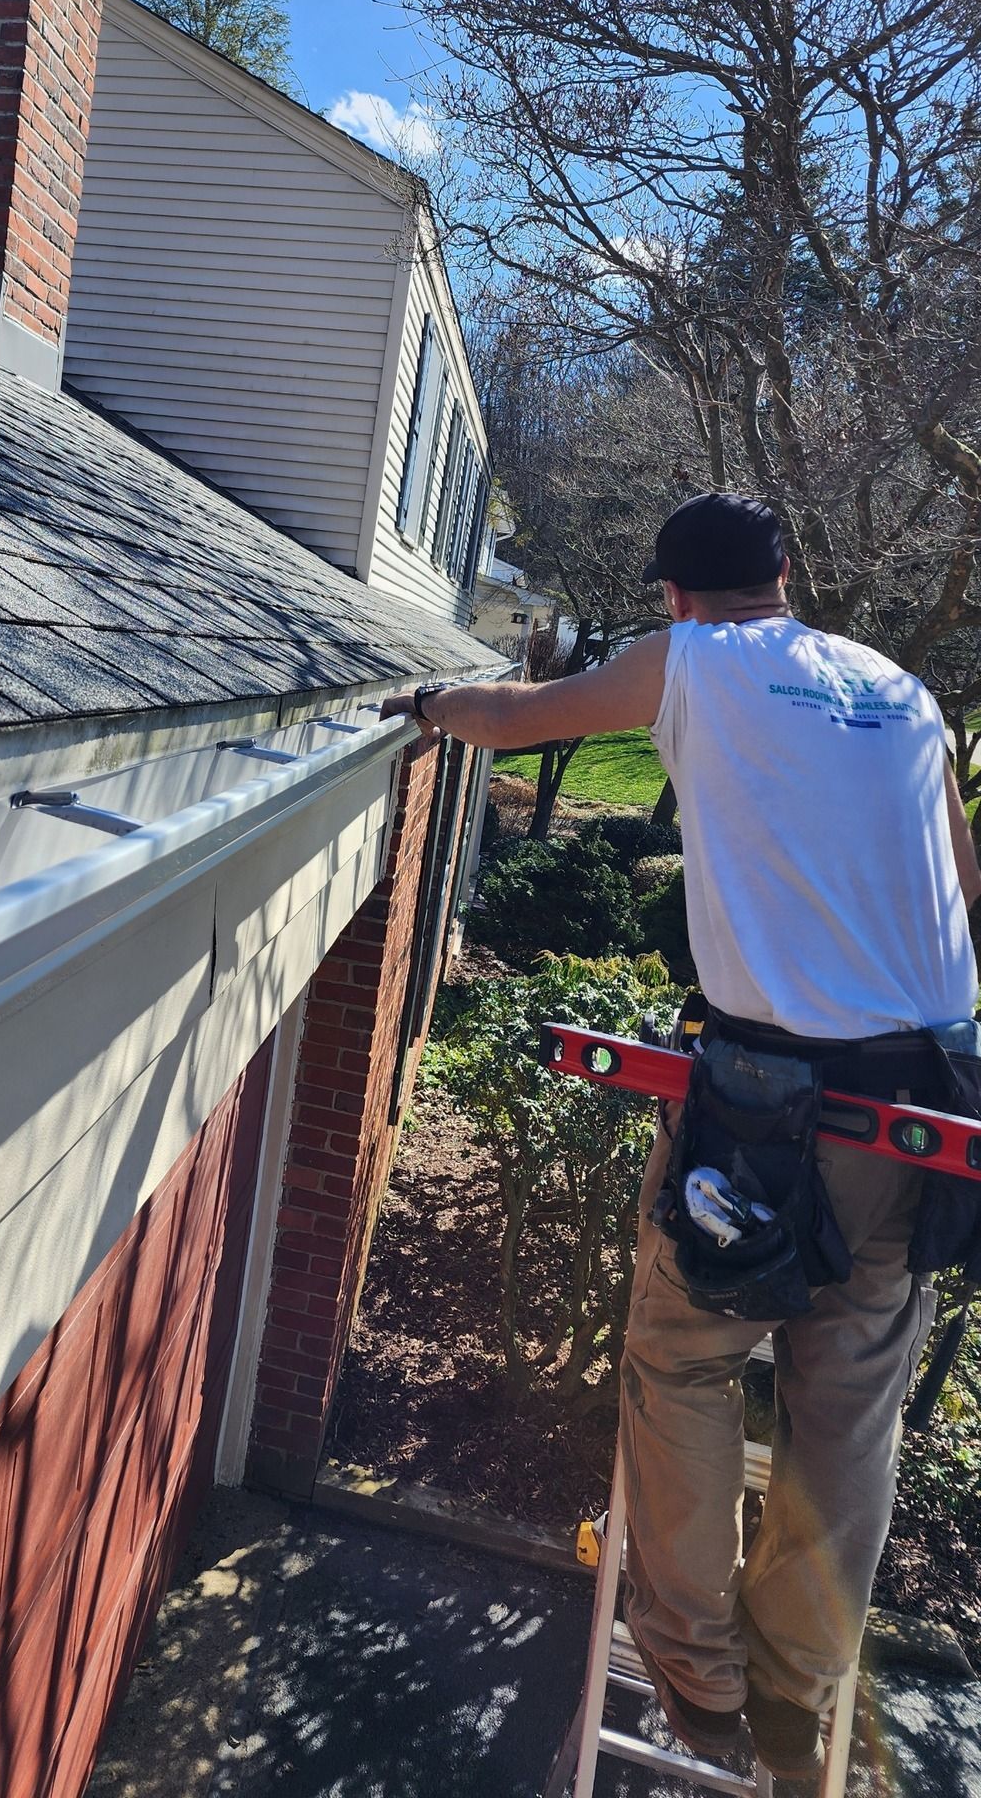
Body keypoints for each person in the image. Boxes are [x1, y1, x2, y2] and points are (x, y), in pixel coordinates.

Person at [382, 491, 981, 1778]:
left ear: (670, 593)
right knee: (848, 1404)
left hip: (776, 1098)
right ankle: (796, 1684)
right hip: (930, 1103)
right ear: (787, 572)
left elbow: (515, 719)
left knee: (684, 1355)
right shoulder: (904, 692)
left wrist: (430, 703)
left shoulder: (692, 661)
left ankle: (697, 1674)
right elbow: (963, 890)